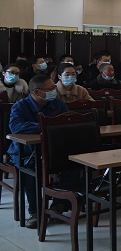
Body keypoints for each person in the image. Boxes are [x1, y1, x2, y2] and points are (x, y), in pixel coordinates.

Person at [8, 75, 71, 229]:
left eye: (54, 88)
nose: (54, 91)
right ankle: (35, 211)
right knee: (31, 169)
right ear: (36, 92)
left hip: (53, 149)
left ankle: (58, 205)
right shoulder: (20, 106)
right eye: (50, 89)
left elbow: (68, 120)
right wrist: (44, 125)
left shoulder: (57, 103)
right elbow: (16, 127)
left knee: (74, 165)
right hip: (26, 152)